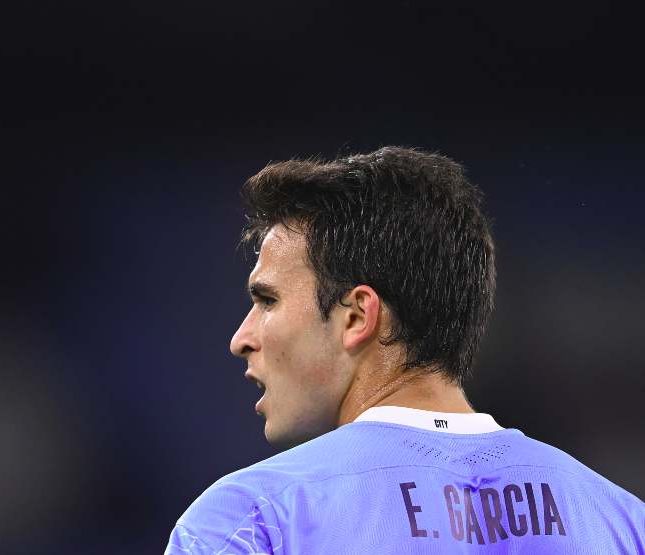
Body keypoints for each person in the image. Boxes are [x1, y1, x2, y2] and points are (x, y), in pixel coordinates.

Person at [164, 146, 644, 554]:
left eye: (268, 300)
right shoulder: (623, 523)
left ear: (356, 316)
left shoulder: (253, 521)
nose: (241, 338)